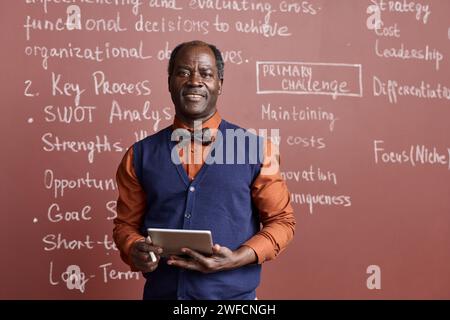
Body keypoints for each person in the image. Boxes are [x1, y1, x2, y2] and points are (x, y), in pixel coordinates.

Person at [113, 40, 296, 300]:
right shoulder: (139, 154)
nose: (194, 81)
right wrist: (134, 247)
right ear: (169, 81)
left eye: (206, 74)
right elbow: (125, 225)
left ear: (220, 83)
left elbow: (283, 222)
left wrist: (235, 259)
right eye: (183, 72)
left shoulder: (258, 150)